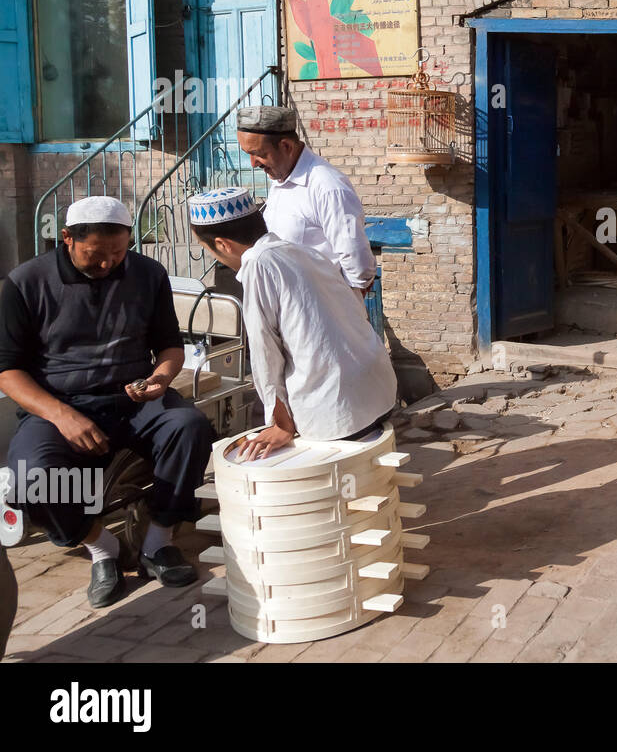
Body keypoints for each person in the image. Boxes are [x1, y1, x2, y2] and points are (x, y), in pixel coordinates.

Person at [0, 197, 213, 608]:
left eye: (119, 253)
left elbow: (170, 347)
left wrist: (159, 379)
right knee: (29, 476)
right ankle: (103, 549)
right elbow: (8, 372)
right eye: (96, 255)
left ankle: (158, 542)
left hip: (133, 398)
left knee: (189, 427)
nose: (108, 264)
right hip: (59, 405)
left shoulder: (148, 273)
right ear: (67, 239)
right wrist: (63, 415)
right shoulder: (25, 283)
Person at [187, 188, 397, 461]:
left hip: (341, 414)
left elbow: (265, 354)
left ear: (223, 244)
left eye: (208, 249)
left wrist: (281, 425)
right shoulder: (301, 251)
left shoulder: (259, 265)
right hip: (380, 393)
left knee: (257, 439)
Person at [236, 105, 376, 300]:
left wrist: (348, 301)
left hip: (325, 313)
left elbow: (357, 261)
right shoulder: (280, 178)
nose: (253, 163)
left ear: (286, 146)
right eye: (247, 154)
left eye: (259, 153)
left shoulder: (328, 187)